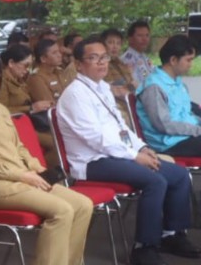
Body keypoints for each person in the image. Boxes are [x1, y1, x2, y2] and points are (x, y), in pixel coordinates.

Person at [57, 36, 200, 265]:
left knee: (179, 175)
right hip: (93, 162)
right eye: (93, 58)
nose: (102, 63)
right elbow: (98, 139)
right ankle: (144, 248)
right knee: (155, 181)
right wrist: (134, 156)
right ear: (78, 64)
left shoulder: (102, 88)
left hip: (116, 154)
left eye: (104, 57)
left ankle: (172, 234)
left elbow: (121, 128)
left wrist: (142, 147)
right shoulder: (75, 95)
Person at [0, 52, 92, 265]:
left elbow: (19, 148)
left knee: (83, 204)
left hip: (22, 180)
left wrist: (36, 168)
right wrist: (23, 175)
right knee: (62, 211)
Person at [136, 35, 201, 157]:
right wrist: (197, 130)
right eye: (188, 60)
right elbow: (164, 125)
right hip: (169, 142)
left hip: (185, 135)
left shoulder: (177, 83)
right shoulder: (154, 87)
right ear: (173, 60)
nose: (191, 64)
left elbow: (186, 113)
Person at [26, 37, 69, 107]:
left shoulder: (59, 71)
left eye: (59, 52)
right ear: (43, 59)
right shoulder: (36, 78)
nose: (59, 55)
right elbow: (48, 104)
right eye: (54, 53)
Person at [123, 20, 156, 89]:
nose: (145, 39)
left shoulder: (145, 58)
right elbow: (134, 85)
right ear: (130, 39)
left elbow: (149, 75)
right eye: (140, 35)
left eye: (147, 35)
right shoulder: (127, 60)